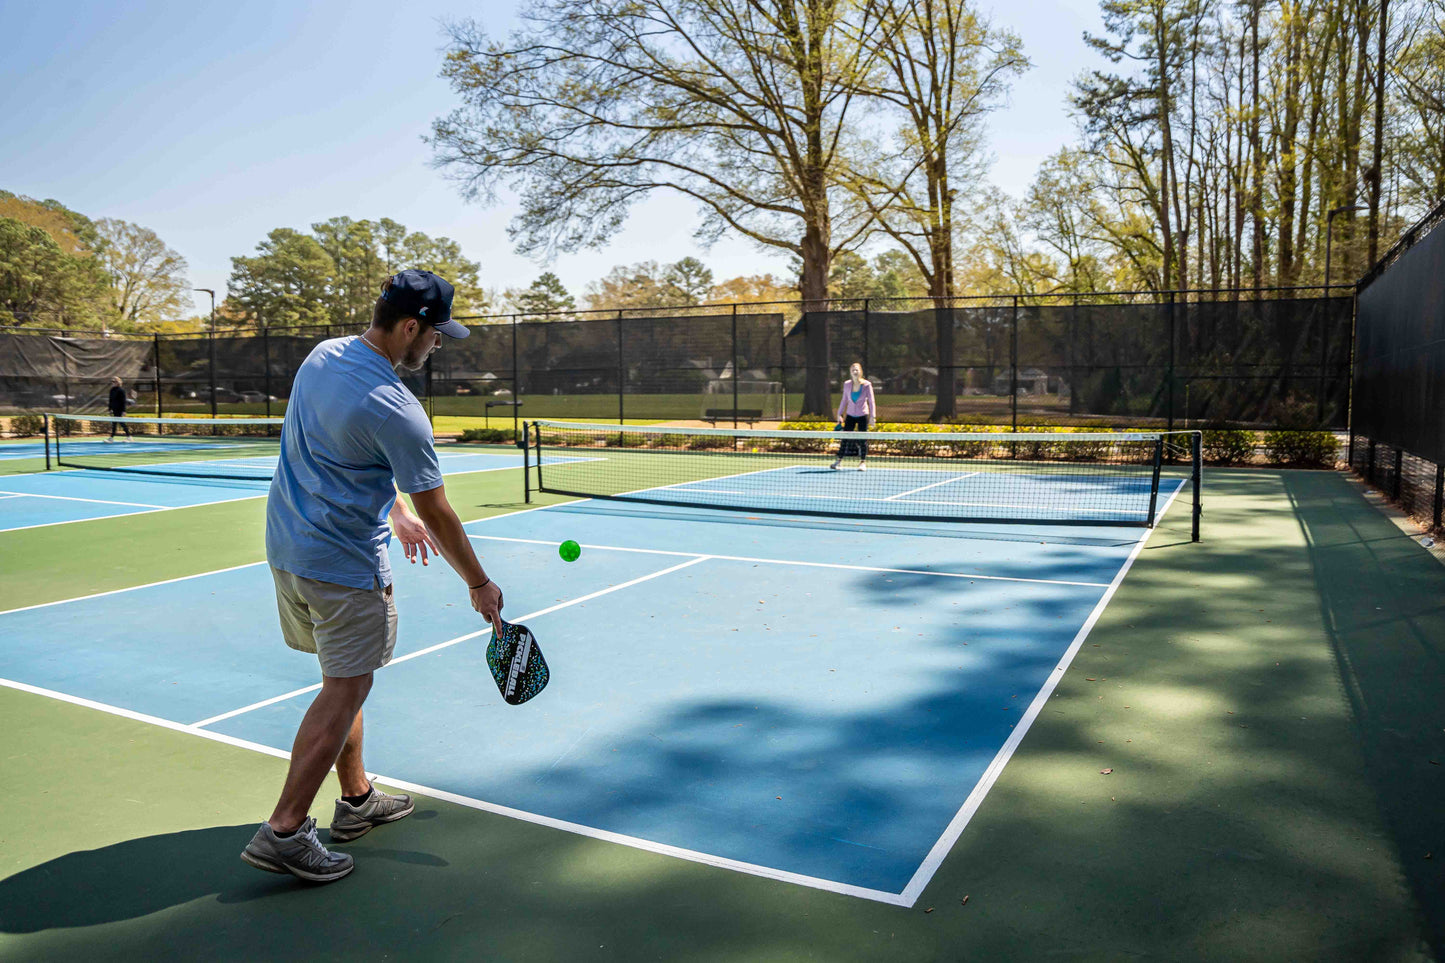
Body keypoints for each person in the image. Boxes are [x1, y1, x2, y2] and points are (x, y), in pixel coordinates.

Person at [241, 270, 505, 883]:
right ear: (411, 327)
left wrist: (397, 510)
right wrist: (478, 583)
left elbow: (338, 452)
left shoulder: (323, 356)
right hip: (344, 567)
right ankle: (284, 830)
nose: (438, 346)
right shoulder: (398, 408)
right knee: (344, 691)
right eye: (437, 335)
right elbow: (440, 508)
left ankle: (356, 800)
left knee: (344, 681)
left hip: (288, 549)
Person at [831, 362, 876, 470]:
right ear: (850, 373)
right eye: (853, 370)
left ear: (860, 372)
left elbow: (871, 401)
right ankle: (839, 461)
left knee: (862, 440)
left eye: (857, 370)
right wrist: (839, 414)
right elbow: (844, 400)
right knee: (845, 439)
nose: (855, 372)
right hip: (850, 415)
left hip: (862, 415)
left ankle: (862, 462)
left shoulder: (867, 385)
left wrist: (872, 417)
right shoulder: (847, 384)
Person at [106, 376, 131, 441]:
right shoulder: (112, 390)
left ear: (118, 382)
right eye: (112, 382)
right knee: (115, 423)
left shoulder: (121, 390)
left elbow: (123, 401)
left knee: (120, 423)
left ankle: (128, 436)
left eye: (114, 381)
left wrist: (123, 411)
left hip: (119, 409)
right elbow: (110, 400)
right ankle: (112, 437)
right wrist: (110, 409)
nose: (113, 383)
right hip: (114, 409)